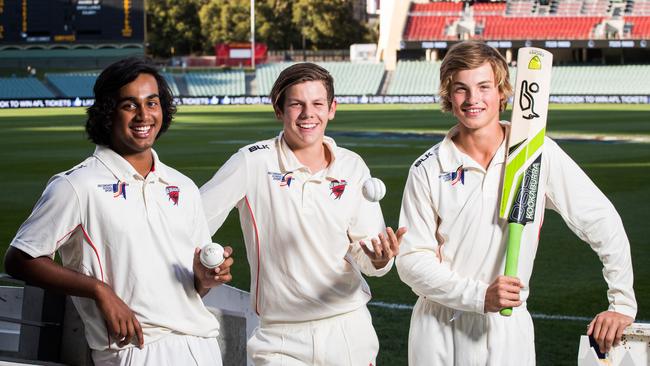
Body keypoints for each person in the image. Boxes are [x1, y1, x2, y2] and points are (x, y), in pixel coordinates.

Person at [395, 41, 636, 365]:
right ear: (448, 96)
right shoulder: (427, 168)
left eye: (483, 87)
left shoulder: (537, 154)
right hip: (438, 328)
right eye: (461, 89)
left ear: (502, 91)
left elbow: (602, 220)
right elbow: (411, 261)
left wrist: (621, 304)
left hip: (507, 329)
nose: (473, 99)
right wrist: (480, 296)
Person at [4, 58, 234, 366]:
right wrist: (99, 290)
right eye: (130, 105)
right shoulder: (77, 185)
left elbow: (192, 290)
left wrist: (205, 278)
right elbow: (21, 259)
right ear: (108, 111)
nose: (144, 115)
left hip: (203, 348)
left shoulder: (183, 186)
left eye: (152, 103)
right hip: (137, 351)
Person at [200, 62, 407, 365]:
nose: (308, 114)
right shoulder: (252, 162)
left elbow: (367, 257)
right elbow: (193, 218)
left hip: (348, 331)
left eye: (317, 104)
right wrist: (200, 263)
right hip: (279, 338)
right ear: (279, 109)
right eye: (297, 104)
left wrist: (380, 259)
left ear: (332, 108)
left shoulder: (352, 166)